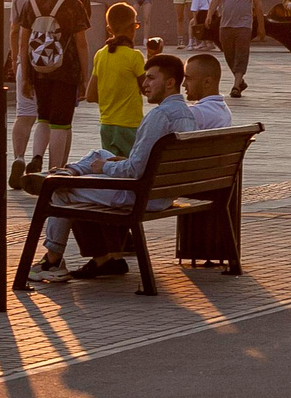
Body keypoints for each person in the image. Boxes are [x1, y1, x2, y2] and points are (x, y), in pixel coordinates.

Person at [22, 54, 193, 283]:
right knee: (100, 154)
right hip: (161, 191)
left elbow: (134, 171)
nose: (144, 84)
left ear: (170, 82)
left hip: (142, 194)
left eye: (151, 79)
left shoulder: (160, 116)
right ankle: (68, 172)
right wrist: (107, 163)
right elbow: (141, 164)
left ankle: (52, 260)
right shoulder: (186, 114)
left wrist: (105, 168)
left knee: (58, 190)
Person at [14, 0, 92, 183]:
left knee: (43, 118)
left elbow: (23, 43)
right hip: (65, 70)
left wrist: (26, 76)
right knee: (61, 123)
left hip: (39, 69)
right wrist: (84, 77)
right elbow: (82, 44)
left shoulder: (31, 3)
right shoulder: (71, 4)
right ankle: (54, 172)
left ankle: (37, 156)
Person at [92, 0, 147, 153]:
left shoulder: (100, 55)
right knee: (131, 168)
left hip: (107, 125)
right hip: (130, 125)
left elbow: (90, 95)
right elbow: (147, 89)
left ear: (109, 29)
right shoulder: (134, 56)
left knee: (111, 168)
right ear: (132, 28)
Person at [213, 0, 261, 96]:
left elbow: (258, 5)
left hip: (244, 25)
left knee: (241, 55)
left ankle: (235, 87)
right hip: (226, 24)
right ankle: (240, 81)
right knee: (229, 55)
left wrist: (261, 26)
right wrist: (209, 15)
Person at [184, 52, 234, 129]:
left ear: (207, 82)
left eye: (188, 78)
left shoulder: (198, 113)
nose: (183, 84)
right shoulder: (224, 111)